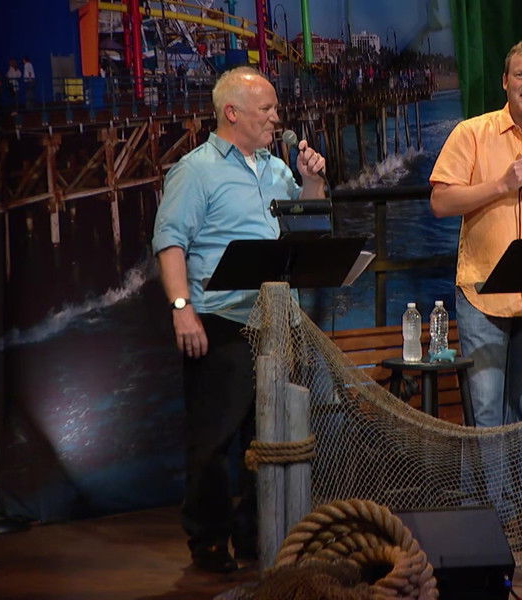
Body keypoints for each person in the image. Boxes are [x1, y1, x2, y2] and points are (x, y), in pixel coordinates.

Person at [152, 66, 326, 573]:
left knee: (267, 437)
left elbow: (310, 224)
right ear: (232, 112)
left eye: (275, 108)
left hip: (278, 320)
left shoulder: (277, 169)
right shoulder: (195, 170)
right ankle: (208, 542)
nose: (276, 117)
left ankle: (257, 537)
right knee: (214, 439)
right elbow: (170, 242)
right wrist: (182, 310)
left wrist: (312, 181)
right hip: (222, 318)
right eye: (266, 109)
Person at [430, 39, 522, 428]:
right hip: (483, 296)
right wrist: (500, 185)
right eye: (520, 75)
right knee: (486, 415)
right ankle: (486, 475)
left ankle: (517, 475)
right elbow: (440, 202)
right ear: (505, 81)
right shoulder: (471, 133)